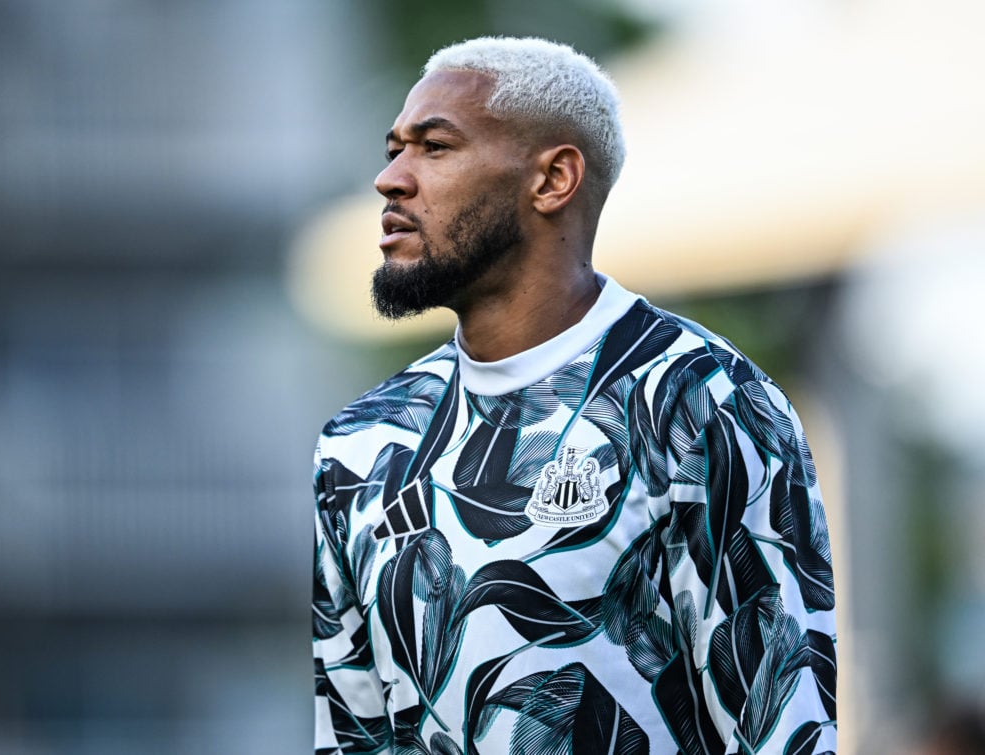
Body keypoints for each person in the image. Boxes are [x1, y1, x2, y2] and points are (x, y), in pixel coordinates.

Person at [313, 36, 837, 755]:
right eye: (394, 148)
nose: (392, 179)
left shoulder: (699, 400)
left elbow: (783, 725)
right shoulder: (361, 443)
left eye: (434, 148)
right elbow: (350, 734)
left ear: (554, 179)